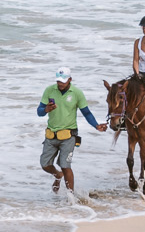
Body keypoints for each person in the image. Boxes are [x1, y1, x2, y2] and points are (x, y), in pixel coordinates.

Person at [36, 67, 104, 198]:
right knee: (44, 164)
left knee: (65, 165)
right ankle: (57, 175)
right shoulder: (49, 90)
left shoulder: (77, 93)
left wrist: (96, 126)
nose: (60, 83)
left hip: (69, 135)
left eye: (63, 81)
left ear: (70, 80)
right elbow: (39, 112)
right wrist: (46, 109)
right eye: (58, 81)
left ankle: (70, 197)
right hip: (51, 135)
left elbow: (87, 113)